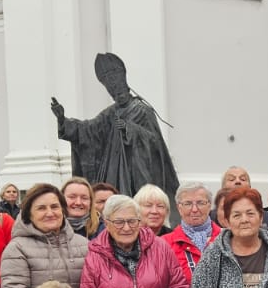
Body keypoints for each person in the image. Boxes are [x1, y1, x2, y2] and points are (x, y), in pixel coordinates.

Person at [52, 53, 179, 200]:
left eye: (120, 92)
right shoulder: (111, 113)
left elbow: (154, 142)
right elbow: (89, 130)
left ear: (126, 86)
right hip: (113, 175)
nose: (118, 96)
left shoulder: (142, 110)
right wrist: (62, 120)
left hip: (137, 175)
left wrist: (129, 129)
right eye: (114, 94)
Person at [1, 183, 88, 288]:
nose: (50, 213)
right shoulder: (17, 248)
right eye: (41, 208)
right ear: (29, 214)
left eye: (55, 207)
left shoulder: (84, 244)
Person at [161, 182, 219, 280]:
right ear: (179, 208)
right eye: (188, 204)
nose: (194, 209)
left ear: (209, 206)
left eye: (200, 203)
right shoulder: (164, 244)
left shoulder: (226, 238)